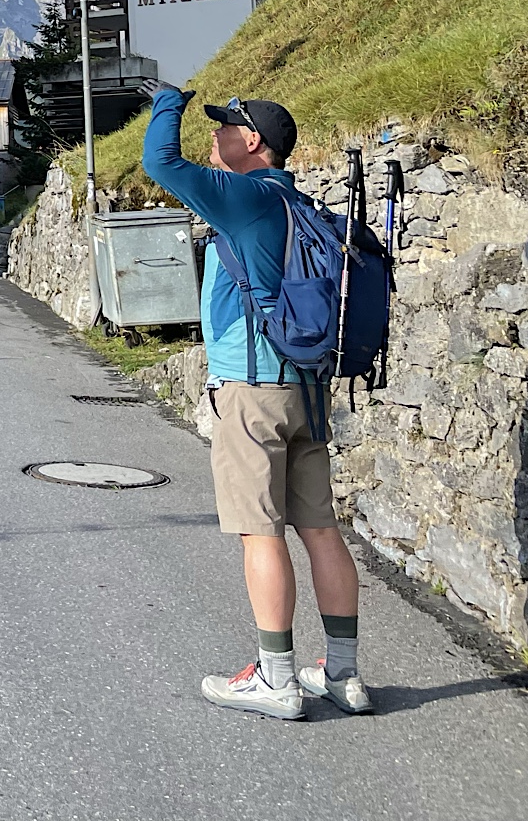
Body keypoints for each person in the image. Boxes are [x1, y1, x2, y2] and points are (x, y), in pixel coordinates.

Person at [141, 84, 371, 719]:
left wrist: (166, 103)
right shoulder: (300, 203)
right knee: (320, 527)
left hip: (253, 391)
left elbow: (160, 163)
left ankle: (276, 679)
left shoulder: (243, 197)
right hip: (308, 387)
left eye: (223, 128)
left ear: (253, 144)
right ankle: (343, 675)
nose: (212, 137)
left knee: (260, 531)